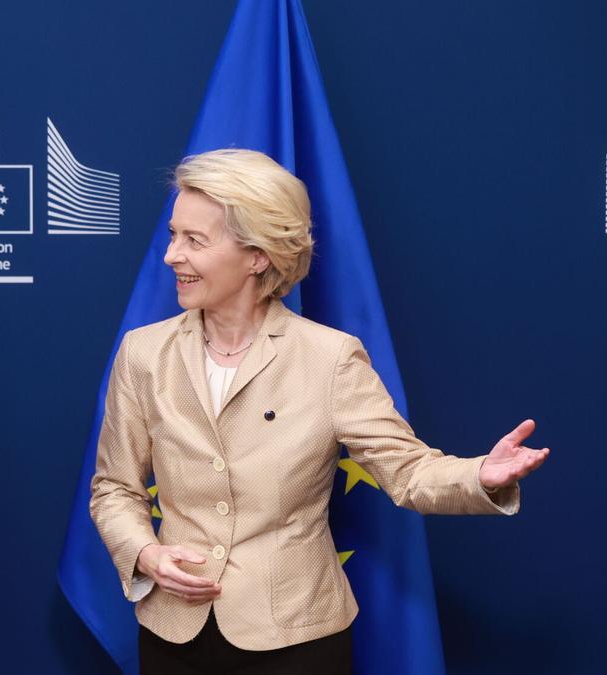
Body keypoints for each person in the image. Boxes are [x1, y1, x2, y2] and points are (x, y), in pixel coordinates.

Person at [88, 148, 548, 674]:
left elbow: (409, 472)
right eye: (173, 235)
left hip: (296, 639)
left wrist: (479, 476)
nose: (171, 255)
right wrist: (146, 555)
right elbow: (114, 488)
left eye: (194, 240)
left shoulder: (330, 358)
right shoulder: (144, 353)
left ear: (257, 255)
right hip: (173, 634)